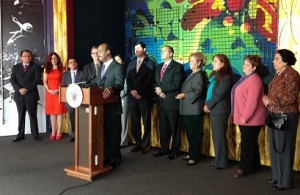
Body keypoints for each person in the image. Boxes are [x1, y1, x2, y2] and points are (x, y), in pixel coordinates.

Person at [262, 49, 300, 190]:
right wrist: (267, 99)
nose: (273, 61)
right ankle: (277, 176)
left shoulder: (292, 75)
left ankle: (285, 181)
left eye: (277, 59)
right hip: (274, 114)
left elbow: (290, 98)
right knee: (275, 147)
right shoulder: (278, 74)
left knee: (284, 148)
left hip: (286, 116)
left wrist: (270, 101)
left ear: (285, 61)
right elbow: (275, 93)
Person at [231, 55, 266, 178]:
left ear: (254, 67)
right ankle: (254, 165)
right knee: (250, 142)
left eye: (247, 65)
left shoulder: (254, 80)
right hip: (245, 117)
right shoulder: (246, 77)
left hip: (251, 119)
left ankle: (243, 168)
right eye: (244, 64)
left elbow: (252, 102)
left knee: (247, 143)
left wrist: (245, 117)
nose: (243, 67)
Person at [204, 54, 235, 169]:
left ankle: (221, 162)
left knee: (220, 137)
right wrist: (207, 104)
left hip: (220, 109)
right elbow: (211, 93)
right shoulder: (214, 76)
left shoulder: (226, 77)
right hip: (214, 109)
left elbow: (219, 95)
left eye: (216, 61)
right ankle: (218, 159)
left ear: (223, 64)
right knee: (216, 136)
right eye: (213, 61)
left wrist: (208, 105)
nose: (213, 63)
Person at [175, 52, 207, 166]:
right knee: (190, 133)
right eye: (190, 61)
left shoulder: (199, 75)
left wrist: (184, 95)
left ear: (199, 63)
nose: (190, 63)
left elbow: (197, 91)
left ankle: (195, 156)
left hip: (194, 109)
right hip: (188, 108)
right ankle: (191, 152)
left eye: (193, 61)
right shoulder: (192, 74)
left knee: (194, 133)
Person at [154, 45, 184, 160]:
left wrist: (162, 89)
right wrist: (158, 91)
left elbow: (176, 84)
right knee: (163, 127)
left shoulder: (177, 67)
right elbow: (155, 82)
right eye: (161, 51)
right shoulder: (159, 66)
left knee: (174, 128)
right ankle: (164, 148)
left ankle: (175, 151)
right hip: (161, 101)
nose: (161, 53)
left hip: (172, 102)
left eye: (164, 51)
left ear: (171, 53)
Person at [97, 43, 124, 168]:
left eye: (100, 51)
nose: (98, 54)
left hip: (113, 107)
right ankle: (106, 156)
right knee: (104, 133)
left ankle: (115, 158)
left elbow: (119, 84)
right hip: (101, 106)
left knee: (113, 133)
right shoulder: (100, 67)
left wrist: (111, 89)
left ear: (108, 52)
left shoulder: (117, 67)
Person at [126, 42, 156, 154]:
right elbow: (127, 78)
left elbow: (149, 80)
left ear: (144, 49)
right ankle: (138, 143)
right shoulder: (131, 63)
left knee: (146, 121)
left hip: (144, 96)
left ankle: (145, 144)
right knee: (135, 121)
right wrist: (132, 91)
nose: (136, 50)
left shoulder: (150, 63)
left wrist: (138, 91)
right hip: (133, 97)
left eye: (138, 48)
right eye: (135, 49)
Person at [10, 49, 41, 142]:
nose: (27, 57)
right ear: (21, 58)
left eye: (28, 56)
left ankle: (35, 135)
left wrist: (26, 89)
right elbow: (12, 80)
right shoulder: (16, 67)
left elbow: (36, 80)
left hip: (31, 95)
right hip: (19, 96)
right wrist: (19, 89)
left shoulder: (35, 67)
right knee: (21, 115)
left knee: (33, 116)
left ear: (31, 57)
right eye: (25, 56)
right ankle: (20, 134)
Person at [43, 52, 67, 140]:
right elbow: (45, 82)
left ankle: (59, 131)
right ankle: (53, 131)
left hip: (59, 92)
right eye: (52, 59)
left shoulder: (62, 69)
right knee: (52, 113)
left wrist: (59, 90)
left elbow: (65, 81)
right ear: (50, 60)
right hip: (50, 93)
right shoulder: (46, 69)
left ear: (58, 59)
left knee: (59, 113)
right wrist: (49, 90)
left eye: (55, 58)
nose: (54, 60)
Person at [61, 57, 84, 142]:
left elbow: (84, 85)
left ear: (77, 63)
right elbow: (63, 86)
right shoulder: (65, 74)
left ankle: (82, 134)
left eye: (74, 62)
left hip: (81, 99)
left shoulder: (82, 73)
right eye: (70, 62)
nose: (72, 63)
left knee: (81, 117)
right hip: (70, 100)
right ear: (68, 65)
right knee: (72, 118)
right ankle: (74, 135)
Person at [114, 54, 130, 147]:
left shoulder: (125, 72)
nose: (117, 62)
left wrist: (117, 96)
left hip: (123, 99)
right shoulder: (114, 71)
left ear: (123, 62)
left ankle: (124, 141)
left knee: (124, 122)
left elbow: (125, 88)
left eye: (118, 60)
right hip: (115, 100)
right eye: (115, 60)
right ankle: (118, 140)